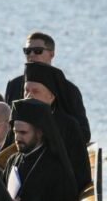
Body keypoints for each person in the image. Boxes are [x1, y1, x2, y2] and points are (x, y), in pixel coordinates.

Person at [4, 31, 89, 142]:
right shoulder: (14, 85)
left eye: (38, 51)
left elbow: (84, 134)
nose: (31, 55)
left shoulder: (69, 89)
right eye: (27, 51)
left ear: (52, 54)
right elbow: (7, 127)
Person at [3, 99, 78, 201]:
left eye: (23, 132)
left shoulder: (56, 167)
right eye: (15, 132)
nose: (17, 138)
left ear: (39, 133)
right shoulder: (12, 160)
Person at [22, 62, 92, 192]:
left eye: (35, 91)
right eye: (26, 91)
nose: (28, 96)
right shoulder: (18, 122)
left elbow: (79, 173)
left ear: (51, 96)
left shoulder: (68, 126)